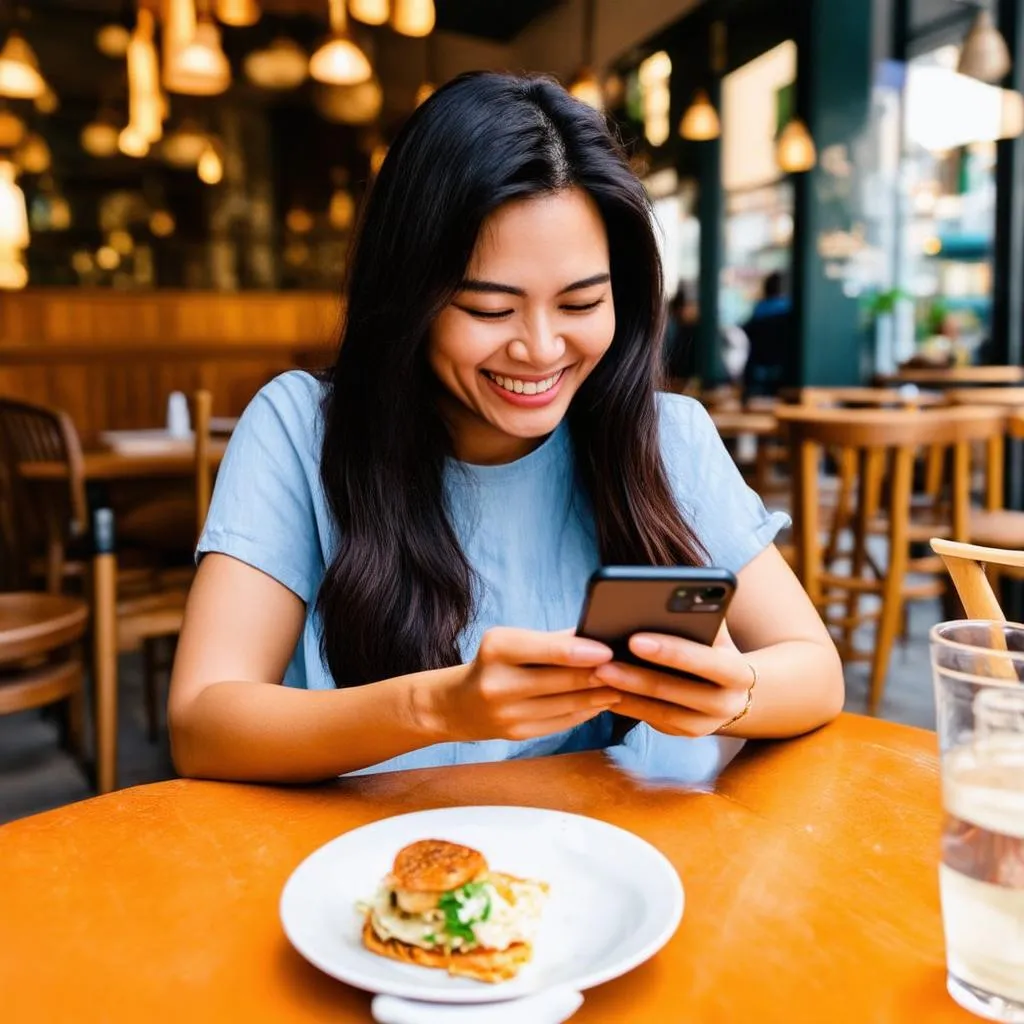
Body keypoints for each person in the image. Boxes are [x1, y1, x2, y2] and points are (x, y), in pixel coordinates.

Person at [168, 73, 844, 785]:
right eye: (490, 310)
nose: (541, 348)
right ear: (409, 299)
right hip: (374, 870)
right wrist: (440, 707)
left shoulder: (664, 436)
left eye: (582, 302)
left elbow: (814, 669)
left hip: (604, 863)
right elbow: (203, 723)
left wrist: (733, 693)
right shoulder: (302, 432)